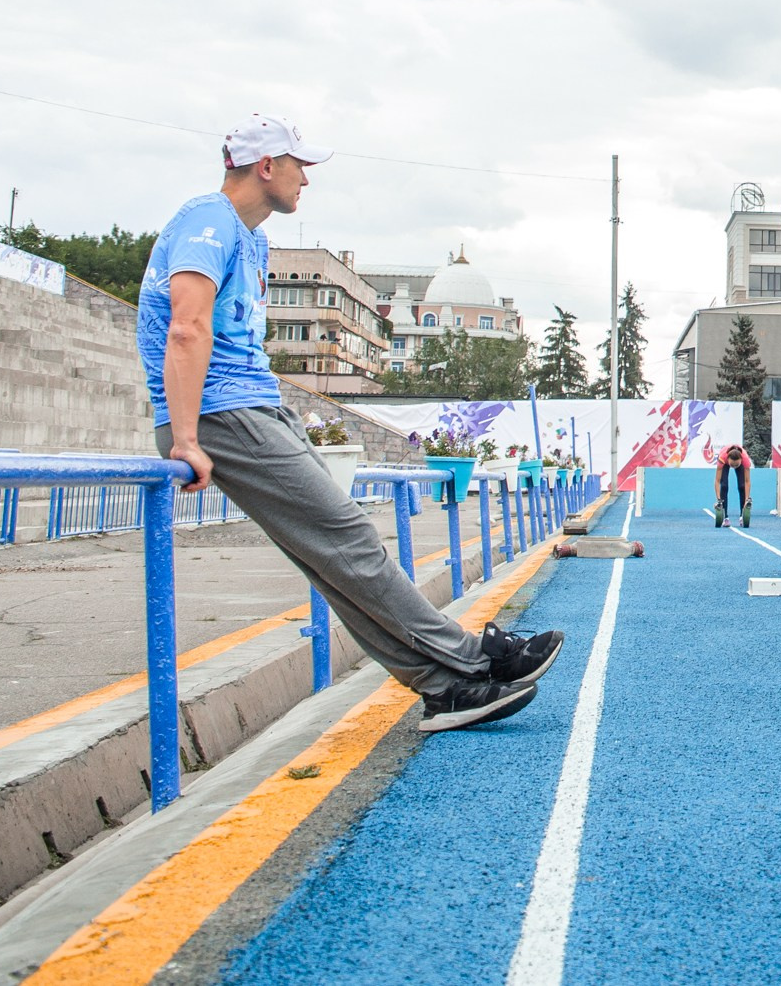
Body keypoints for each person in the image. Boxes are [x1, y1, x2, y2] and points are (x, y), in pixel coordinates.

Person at [138, 113, 563, 733]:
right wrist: (182, 437)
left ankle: (443, 688)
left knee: (335, 559)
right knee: (349, 539)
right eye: (299, 164)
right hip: (219, 413)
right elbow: (185, 326)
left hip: (253, 405)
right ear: (266, 166)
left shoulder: (250, 239)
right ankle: (471, 659)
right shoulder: (207, 221)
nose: (306, 178)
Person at [715, 443, 754, 529]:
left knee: (742, 486)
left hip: (740, 461)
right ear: (728, 460)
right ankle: (725, 517)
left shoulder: (745, 460)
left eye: (736, 465)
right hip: (724, 461)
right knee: (724, 486)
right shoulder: (722, 459)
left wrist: (747, 500)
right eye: (732, 465)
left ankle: (742, 516)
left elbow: (747, 481)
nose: (734, 467)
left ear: (741, 460)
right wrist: (718, 500)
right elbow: (717, 481)